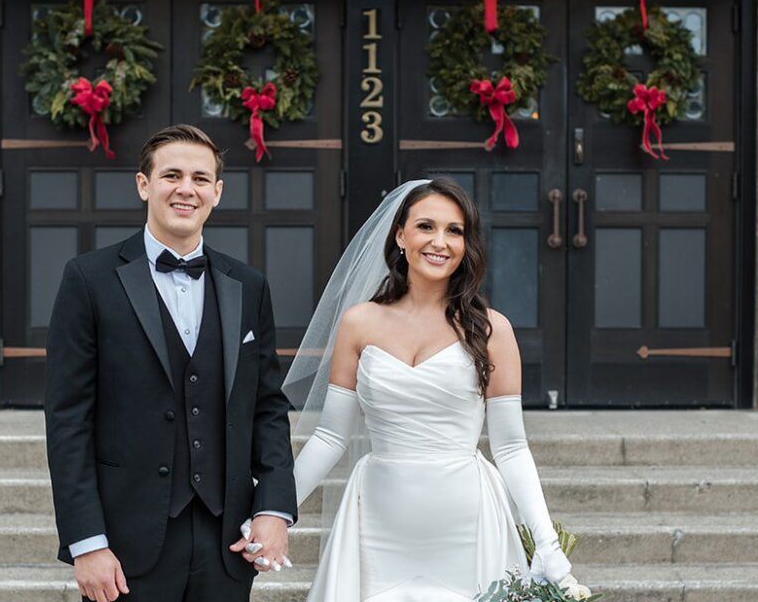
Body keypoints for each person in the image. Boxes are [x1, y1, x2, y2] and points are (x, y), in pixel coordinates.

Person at [286, 178, 591, 601]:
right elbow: (331, 437)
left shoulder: (491, 329)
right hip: (376, 518)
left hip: (466, 522)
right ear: (400, 236)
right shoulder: (360, 322)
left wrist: (546, 541)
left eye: (455, 230)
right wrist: (274, 512)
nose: (440, 242)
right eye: (426, 226)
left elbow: (511, 448)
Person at [45, 124, 296, 602]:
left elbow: (267, 407)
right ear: (144, 185)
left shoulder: (249, 285)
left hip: (228, 543)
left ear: (217, 193)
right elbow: (67, 420)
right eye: (172, 175)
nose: (187, 189)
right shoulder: (88, 279)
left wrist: (275, 508)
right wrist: (87, 543)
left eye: (201, 179)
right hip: (125, 543)